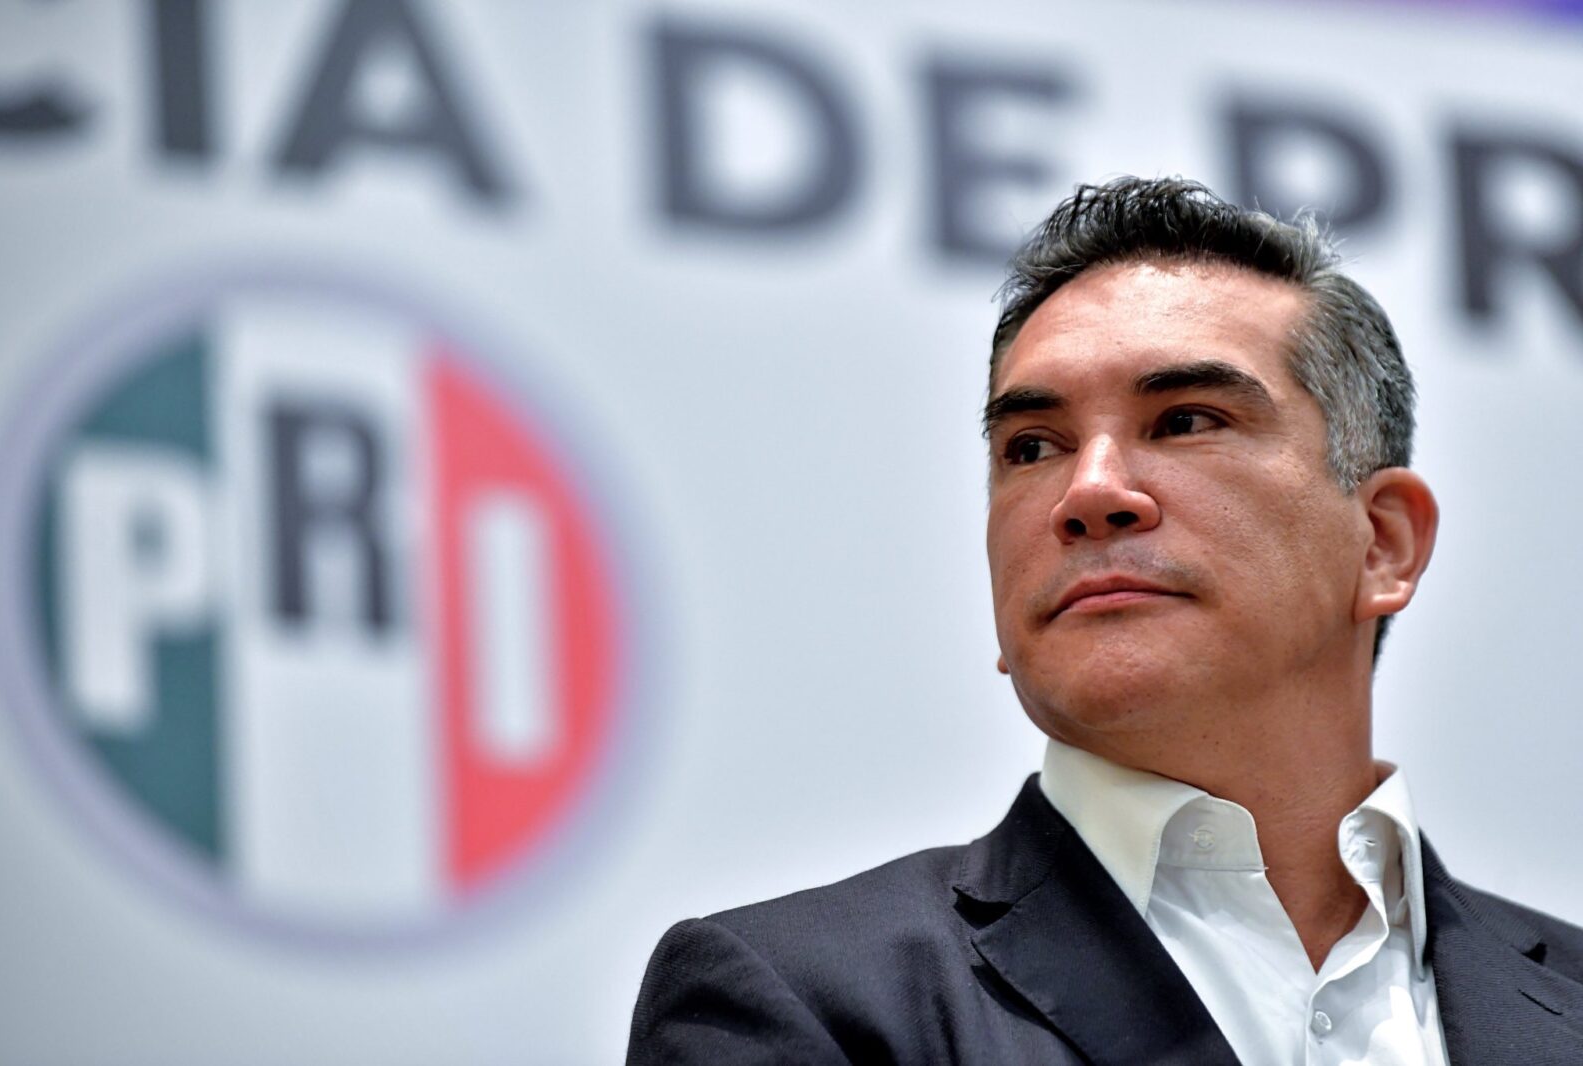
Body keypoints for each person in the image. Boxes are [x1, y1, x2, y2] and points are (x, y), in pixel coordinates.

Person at [626, 177, 1583, 1065]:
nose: (1087, 493)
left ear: (1383, 543)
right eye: (1032, 446)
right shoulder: (801, 999)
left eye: (1185, 420)